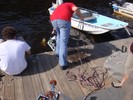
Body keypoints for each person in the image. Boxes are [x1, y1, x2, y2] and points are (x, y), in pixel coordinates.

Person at [50, 1, 84, 70]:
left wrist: (54, 28)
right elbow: (76, 9)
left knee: (59, 36)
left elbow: (57, 16)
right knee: (63, 43)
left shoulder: (61, 6)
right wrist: (81, 17)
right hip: (63, 20)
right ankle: (63, 64)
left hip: (53, 20)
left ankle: (57, 53)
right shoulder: (70, 4)